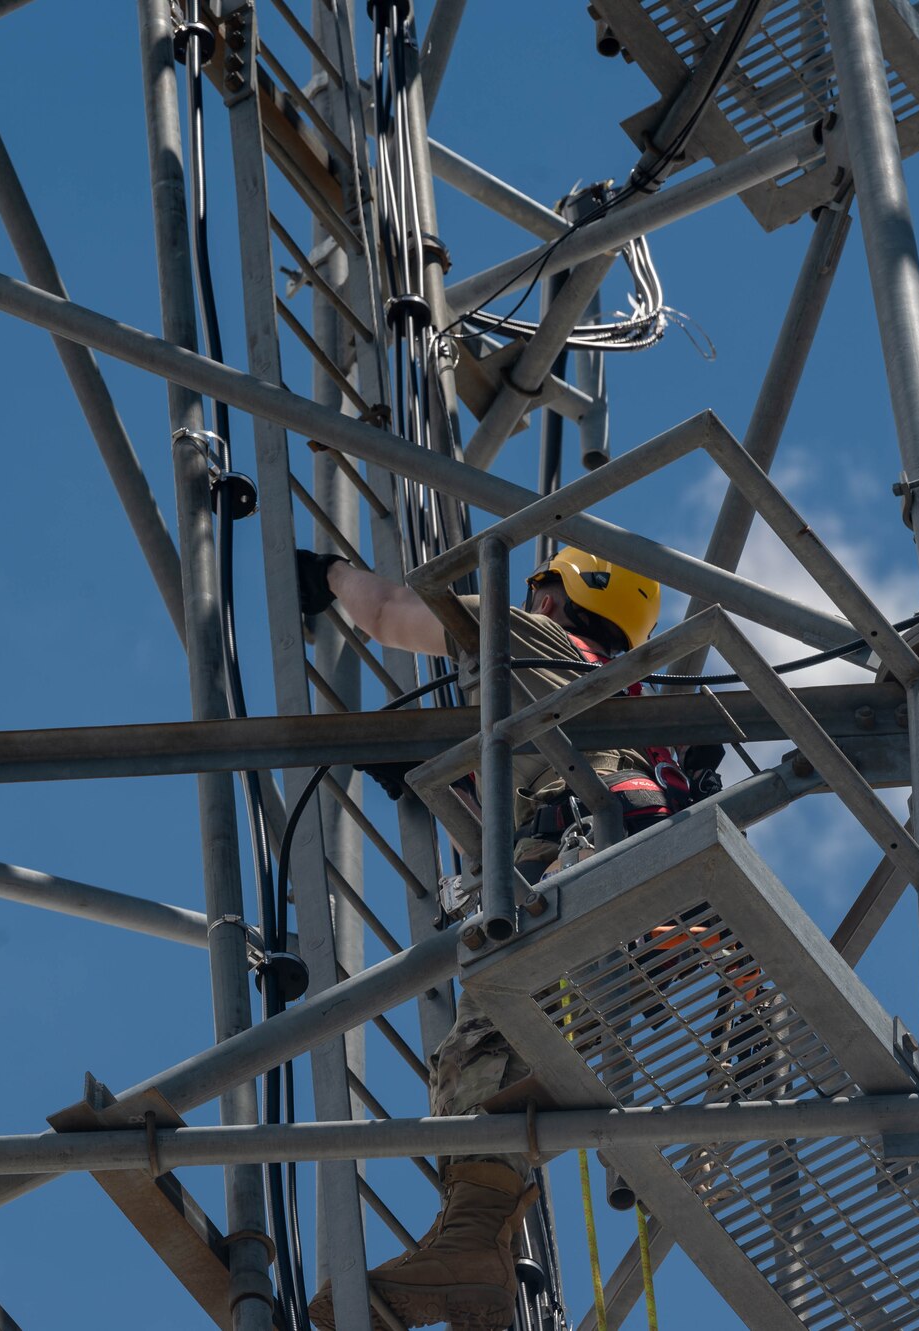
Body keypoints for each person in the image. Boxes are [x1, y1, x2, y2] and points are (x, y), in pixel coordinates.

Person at [295, 545, 721, 1331]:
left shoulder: (533, 640)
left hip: (585, 871)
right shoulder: (618, 699)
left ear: (561, 597)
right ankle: (472, 1252)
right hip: (641, 906)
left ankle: (469, 1246)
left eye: (538, 588)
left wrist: (329, 576)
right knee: (497, 1063)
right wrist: (440, 763)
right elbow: (529, 775)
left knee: (479, 1052)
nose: (529, 599)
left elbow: (389, 614)